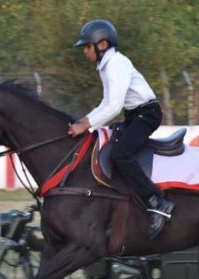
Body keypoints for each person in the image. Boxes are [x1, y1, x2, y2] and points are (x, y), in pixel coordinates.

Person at [69, 19, 174, 239]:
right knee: (112, 144)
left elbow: (114, 106)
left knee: (120, 154)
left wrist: (86, 124)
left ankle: (157, 201)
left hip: (147, 114)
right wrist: (85, 120)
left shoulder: (116, 63)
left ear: (103, 45)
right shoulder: (105, 66)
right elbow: (106, 103)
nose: (85, 51)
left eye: (87, 46)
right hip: (134, 114)